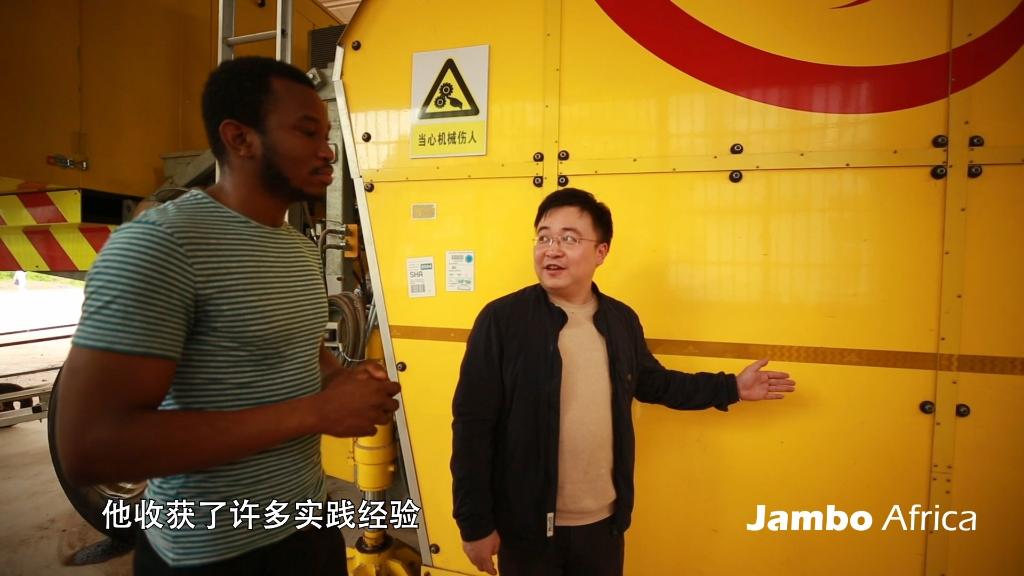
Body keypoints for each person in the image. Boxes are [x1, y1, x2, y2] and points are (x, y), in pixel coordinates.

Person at [55, 57, 401, 575]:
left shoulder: (295, 249)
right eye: (307, 132)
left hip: (307, 525)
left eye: (327, 135)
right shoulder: (161, 246)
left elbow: (302, 351)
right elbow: (91, 449)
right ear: (240, 139)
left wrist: (346, 385)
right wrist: (317, 413)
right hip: (209, 553)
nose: (327, 150)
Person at [451, 188, 797, 576]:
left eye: (569, 239)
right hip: (526, 528)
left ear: (601, 252)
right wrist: (474, 524)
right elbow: (472, 426)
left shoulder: (620, 320)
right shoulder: (502, 321)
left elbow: (655, 383)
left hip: (604, 525)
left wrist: (731, 387)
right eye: (544, 238)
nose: (552, 250)